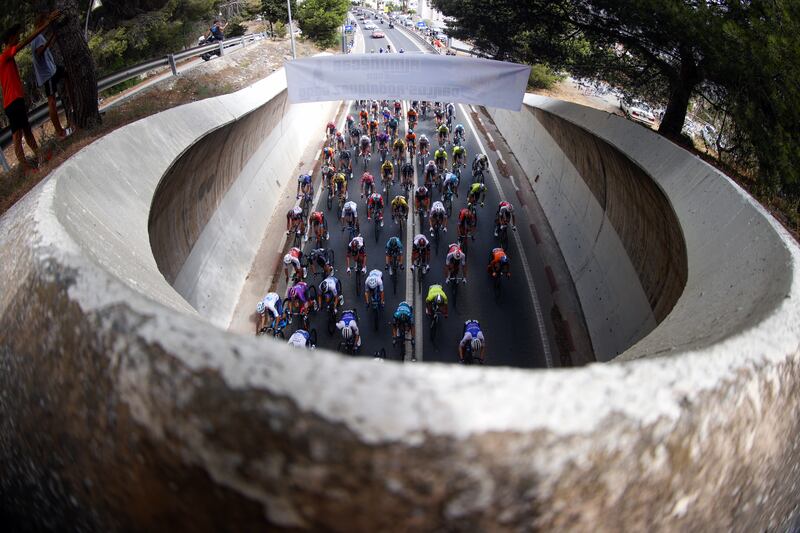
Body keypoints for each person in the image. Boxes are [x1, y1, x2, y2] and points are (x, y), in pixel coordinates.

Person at [1, 15, 59, 175]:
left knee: (27, 130)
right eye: (17, 36)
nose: (19, 38)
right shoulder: (5, 55)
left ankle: (39, 156)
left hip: (17, 100)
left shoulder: (7, 58)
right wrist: (43, 27)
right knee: (17, 135)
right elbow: (24, 43)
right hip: (11, 103)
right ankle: (25, 168)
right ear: (11, 38)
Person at [30, 11, 69, 138]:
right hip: (47, 75)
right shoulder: (36, 38)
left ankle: (72, 106)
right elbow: (40, 52)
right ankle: (59, 131)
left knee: (66, 74)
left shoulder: (39, 36)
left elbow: (46, 48)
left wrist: (53, 37)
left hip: (52, 69)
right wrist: (49, 41)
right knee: (51, 101)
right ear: (40, 23)